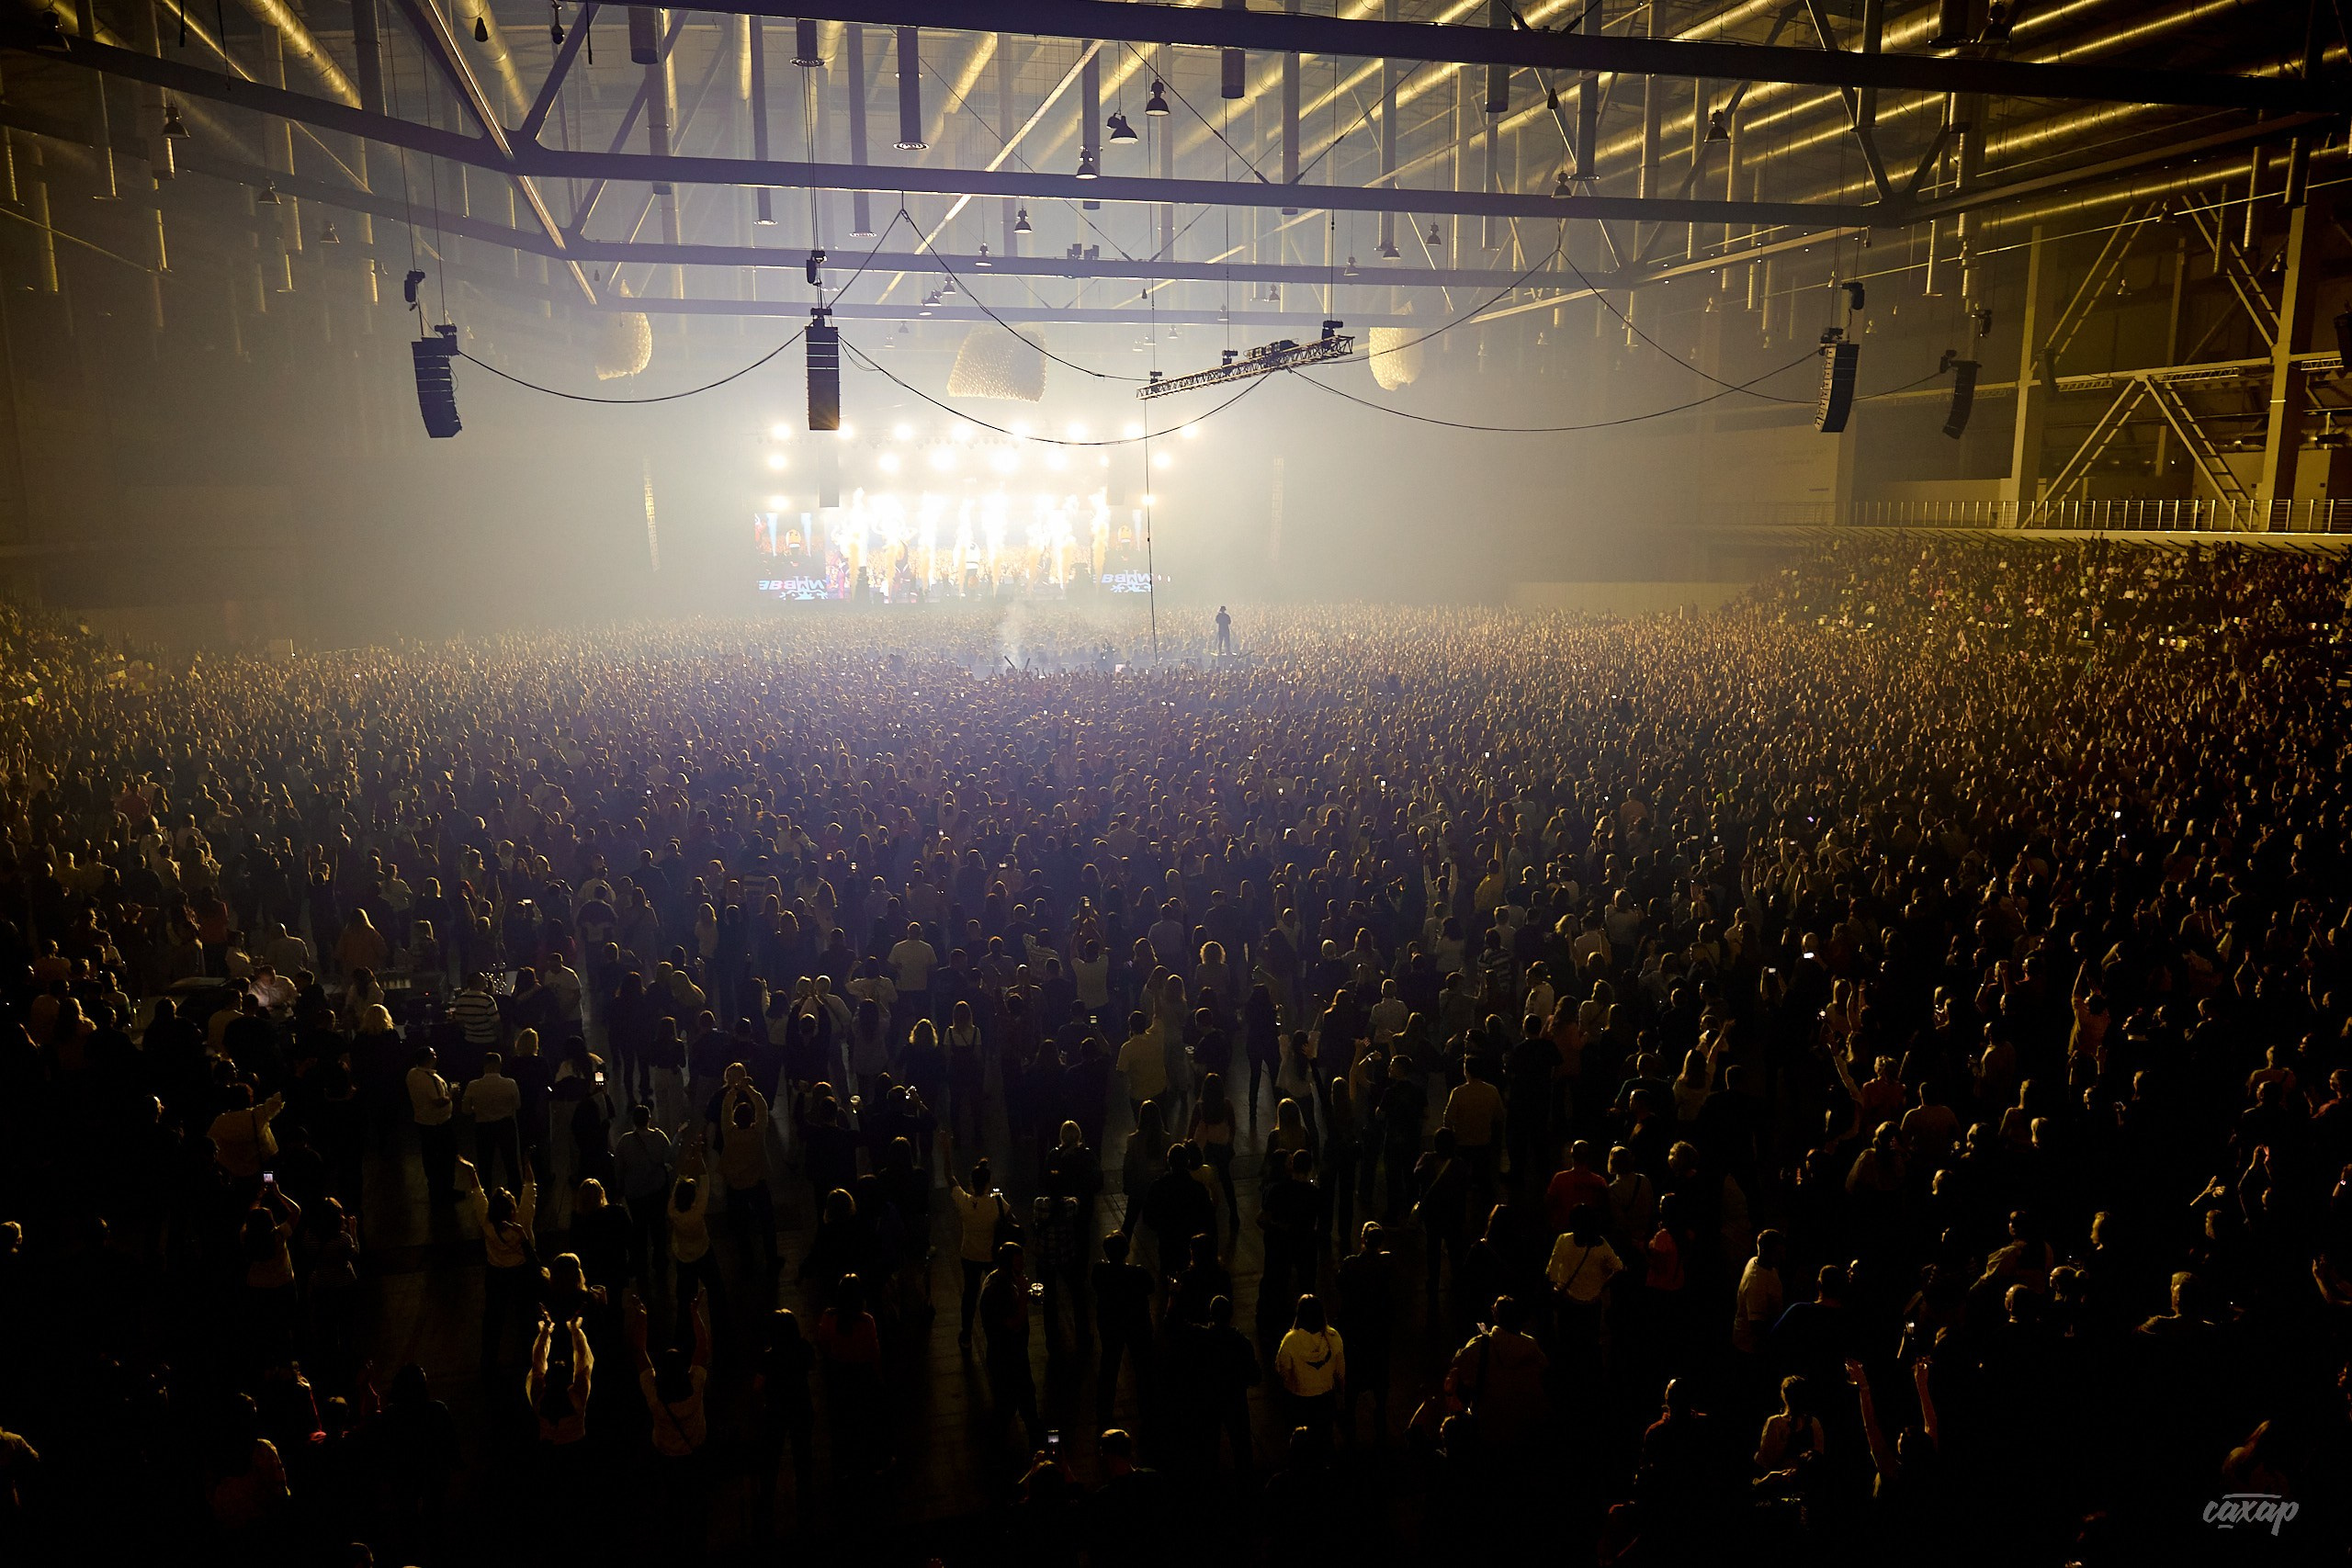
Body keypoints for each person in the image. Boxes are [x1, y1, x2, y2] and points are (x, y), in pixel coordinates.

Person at [978, 1241, 1042, 1450]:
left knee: (1012, 1403)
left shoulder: (1002, 1278)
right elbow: (1014, 1324)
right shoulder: (998, 1290)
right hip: (1007, 1356)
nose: (1024, 1264)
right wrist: (1024, 1294)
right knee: (1015, 1403)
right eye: (1020, 1260)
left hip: (1011, 1354)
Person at [1274, 1292, 1346, 1446]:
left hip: (1299, 1401)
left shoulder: (1290, 1341)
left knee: (1303, 1444)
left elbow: (1282, 1371)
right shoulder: (1333, 1337)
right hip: (1325, 1400)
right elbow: (1340, 1373)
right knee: (1325, 1441)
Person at [407, 1045, 458, 1205]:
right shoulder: (429, 1079)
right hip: (439, 1123)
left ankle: (434, 1189)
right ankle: (447, 1189)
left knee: (430, 1157)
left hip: (423, 1121)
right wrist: (452, 1093)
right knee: (447, 1156)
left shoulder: (412, 1074)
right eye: (433, 1054)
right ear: (428, 1058)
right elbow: (439, 1101)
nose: (436, 1056)